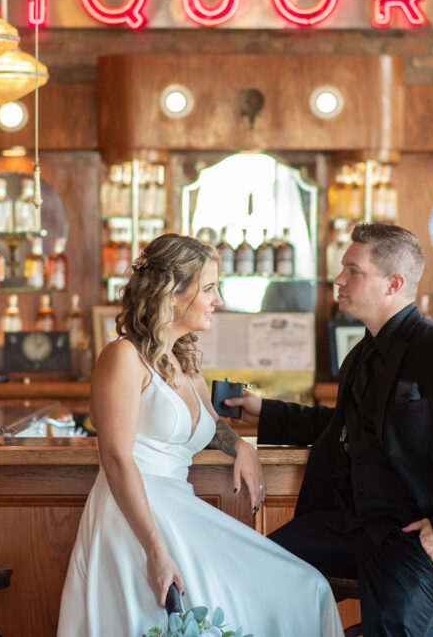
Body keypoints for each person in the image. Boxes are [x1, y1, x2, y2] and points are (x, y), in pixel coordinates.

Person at [225, 222, 433, 637]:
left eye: (354, 270)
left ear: (394, 283)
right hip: (355, 527)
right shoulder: (361, 353)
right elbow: (338, 425)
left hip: (415, 536)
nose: (338, 279)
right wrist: (263, 412)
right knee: (252, 566)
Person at [57, 233, 343, 637]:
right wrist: (155, 550)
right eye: (209, 288)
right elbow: (117, 459)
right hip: (136, 520)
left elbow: (210, 427)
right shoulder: (122, 356)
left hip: (179, 508)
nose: (219, 300)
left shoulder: (184, 361)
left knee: (307, 587)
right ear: (171, 293)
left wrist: (240, 445)